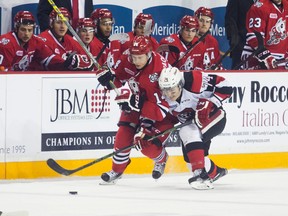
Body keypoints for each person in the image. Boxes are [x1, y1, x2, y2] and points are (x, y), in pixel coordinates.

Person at [96, 35, 174, 184]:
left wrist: (143, 129)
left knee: (147, 145)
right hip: (138, 101)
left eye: (140, 57)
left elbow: (159, 106)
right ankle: (117, 170)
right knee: (123, 134)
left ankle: (162, 159)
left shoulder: (158, 72)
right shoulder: (129, 58)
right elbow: (118, 78)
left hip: (163, 110)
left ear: (149, 54)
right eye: (134, 57)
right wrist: (108, 79)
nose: (136, 61)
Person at [158, 67, 233, 189]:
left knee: (187, 132)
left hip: (214, 117)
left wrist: (211, 102)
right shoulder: (161, 97)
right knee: (190, 161)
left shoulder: (194, 80)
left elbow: (225, 86)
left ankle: (200, 175)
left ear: (180, 84)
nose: (169, 94)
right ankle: (215, 172)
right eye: (165, 91)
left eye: (172, 90)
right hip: (192, 123)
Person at [0, 11, 88, 71]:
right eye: (23, 29)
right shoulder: (7, 43)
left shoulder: (36, 42)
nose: (26, 34)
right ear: (16, 28)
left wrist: (65, 63)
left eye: (30, 30)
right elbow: (3, 73)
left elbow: (49, 59)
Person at [240, 0, 288, 70]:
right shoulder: (259, 7)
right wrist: (266, 57)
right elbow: (254, 36)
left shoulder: (286, 5)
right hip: (255, 57)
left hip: (281, 58)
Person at [225, 0, 255, 69]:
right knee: (238, 76)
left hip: (262, 47)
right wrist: (236, 43)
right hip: (241, 47)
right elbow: (230, 21)